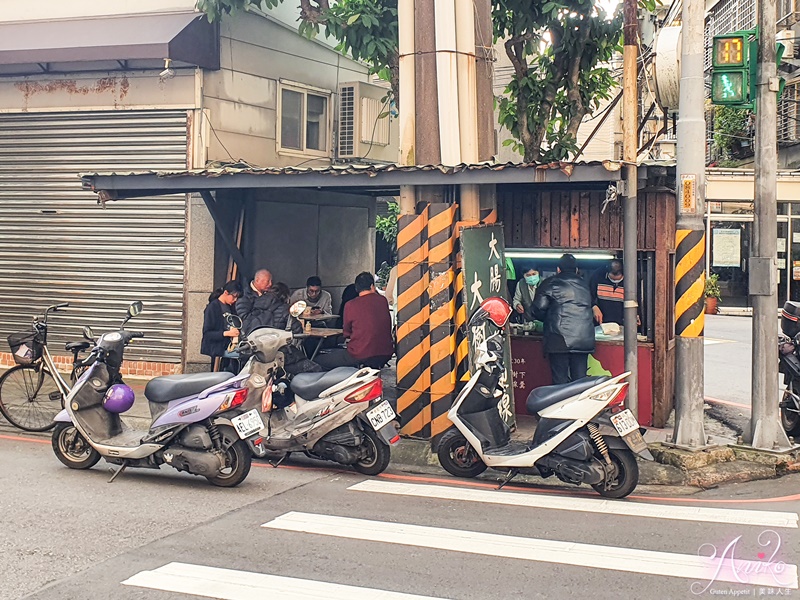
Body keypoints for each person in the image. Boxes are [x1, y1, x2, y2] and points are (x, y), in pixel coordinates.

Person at [532, 254, 595, 385]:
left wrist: (549, 318)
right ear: (576, 270)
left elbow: (537, 309)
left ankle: (561, 406)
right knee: (579, 383)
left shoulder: (550, 283)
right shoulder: (584, 285)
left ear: (558, 269)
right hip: (583, 339)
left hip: (559, 340)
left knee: (560, 383)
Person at [316, 272, 394, 370]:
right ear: (372, 286)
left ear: (356, 288)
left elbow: (346, 332)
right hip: (386, 353)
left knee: (318, 360)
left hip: (360, 353)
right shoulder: (382, 301)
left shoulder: (350, 305)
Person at [201, 280, 242, 372]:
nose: (235, 300)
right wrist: (227, 333)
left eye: (237, 298)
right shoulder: (213, 307)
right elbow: (207, 334)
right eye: (234, 297)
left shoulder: (231, 306)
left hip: (229, 345)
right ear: (226, 293)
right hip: (218, 347)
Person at [235, 269, 284, 335]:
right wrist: (266, 312)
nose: (270, 284)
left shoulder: (269, 295)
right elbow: (245, 319)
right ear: (257, 280)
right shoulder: (244, 296)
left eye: (271, 281)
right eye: (267, 281)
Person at [590, 259, 637, 328]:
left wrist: (636, 314)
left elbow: (637, 299)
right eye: (612, 279)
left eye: (617, 279)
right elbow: (588, 294)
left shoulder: (631, 281)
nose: (614, 281)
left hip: (622, 324)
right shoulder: (597, 276)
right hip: (600, 323)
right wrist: (594, 306)